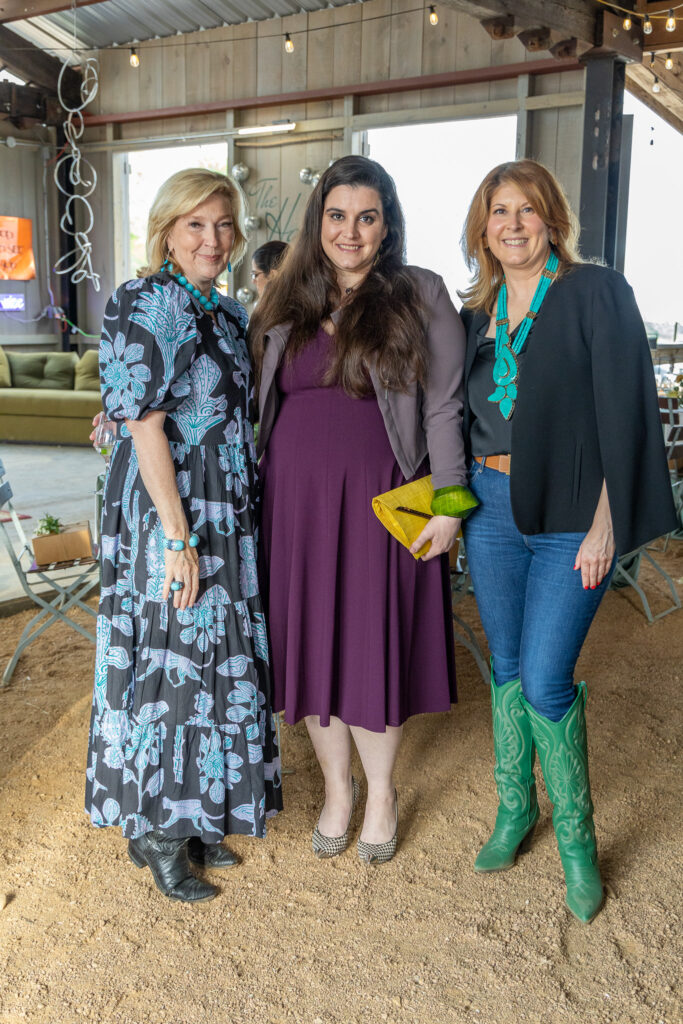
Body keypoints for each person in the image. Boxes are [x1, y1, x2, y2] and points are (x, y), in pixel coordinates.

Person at [458, 159, 677, 923]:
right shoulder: (474, 313)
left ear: (550, 219)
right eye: (498, 211)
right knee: (510, 666)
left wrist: (607, 523)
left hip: (571, 518)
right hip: (488, 506)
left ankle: (577, 842)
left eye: (526, 209)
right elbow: (451, 419)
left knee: (548, 678)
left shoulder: (593, 291)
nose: (511, 223)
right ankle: (516, 810)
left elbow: (626, 409)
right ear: (481, 228)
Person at [249, 155, 472, 864]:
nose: (350, 231)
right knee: (311, 644)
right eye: (337, 216)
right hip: (293, 506)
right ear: (318, 223)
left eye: (366, 217)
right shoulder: (283, 298)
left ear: (386, 224)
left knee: (372, 643)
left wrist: (451, 504)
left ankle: (380, 791)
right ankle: (336, 789)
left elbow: (444, 406)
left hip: (384, 499)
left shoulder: (420, 293)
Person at [85, 168, 282, 903]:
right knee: (173, 661)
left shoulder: (227, 313)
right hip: (173, 510)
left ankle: (196, 813)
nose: (213, 238)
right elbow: (143, 425)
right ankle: (160, 833)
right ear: (167, 230)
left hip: (224, 506)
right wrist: (176, 536)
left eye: (224, 224)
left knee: (213, 660)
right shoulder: (146, 300)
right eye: (196, 224)